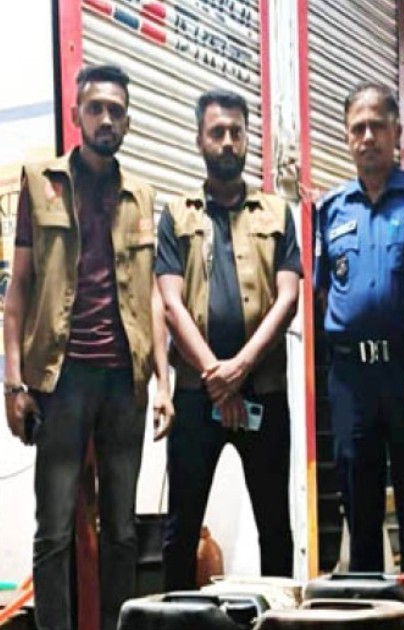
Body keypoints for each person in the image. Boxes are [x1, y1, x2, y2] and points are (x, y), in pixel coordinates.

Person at [3, 64, 174, 630]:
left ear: (127, 121)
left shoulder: (142, 196)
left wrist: (163, 383)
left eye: (116, 110)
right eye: (96, 108)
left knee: (122, 530)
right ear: (77, 114)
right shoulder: (41, 182)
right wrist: (13, 384)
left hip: (125, 382)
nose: (106, 119)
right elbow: (18, 289)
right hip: (62, 379)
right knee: (54, 530)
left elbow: (153, 294)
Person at [157, 89, 300, 588]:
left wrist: (240, 368)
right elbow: (170, 303)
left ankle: (281, 619)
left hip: (264, 392)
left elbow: (288, 298)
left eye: (236, 132)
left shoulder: (276, 212)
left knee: (275, 527)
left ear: (247, 139)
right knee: (180, 531)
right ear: (200, 139)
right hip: (196, 396)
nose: (227, 141)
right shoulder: (176, 215)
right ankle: (176, 619)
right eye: (217, 132)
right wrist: (216, 377)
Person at [314, 82, 404, 623]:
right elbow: (324, 290)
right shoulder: (329, 209)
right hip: (351, 380)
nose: (367, 137)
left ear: (396, 132)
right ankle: (368, 625)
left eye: (377, 126)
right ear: (347, 137)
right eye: (357, 128)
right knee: (359, 512)